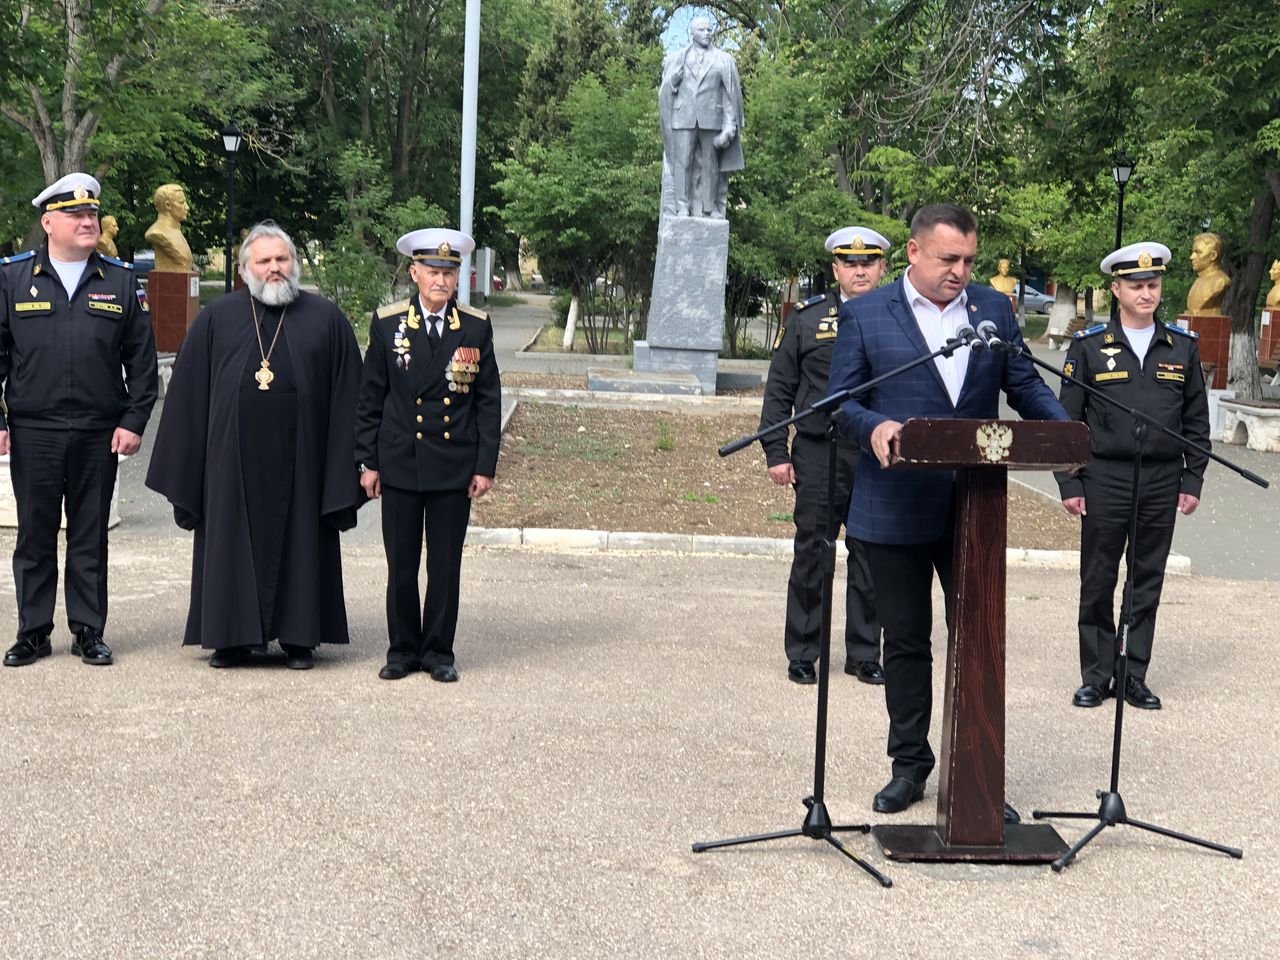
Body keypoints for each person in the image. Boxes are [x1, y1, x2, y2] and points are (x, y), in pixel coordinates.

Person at [827, 204, 1069, 814]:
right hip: (894, 505)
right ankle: (910, 766)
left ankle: (977, 778)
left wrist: (1065, 434)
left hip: (974, 507)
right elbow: (840, 402)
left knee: (979, 641)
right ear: (913, 252)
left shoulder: (993, 311)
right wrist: (874, 426)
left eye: (968, 260)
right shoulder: (865, 314)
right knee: (907, 642)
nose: (960, 271)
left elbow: (1024, 384)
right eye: (948, 259)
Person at [145, 221, 363, 669]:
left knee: (303, 542)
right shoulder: (216, 318)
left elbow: (350, 399)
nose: (274, 268)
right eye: (264, 261)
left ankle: (300, 639)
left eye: (282, 259)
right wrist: (187, 467)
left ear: (295, 264)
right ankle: (230, 639)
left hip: (303, 463)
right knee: (229, 543)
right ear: (246, 269)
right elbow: (188, 398)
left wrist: (353, 464)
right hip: (230, 465)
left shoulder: (326, 320)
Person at [1, 173, 158, 667]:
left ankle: (88, 630)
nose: (88, 221)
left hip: (98, 431)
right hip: (35, 429)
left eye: (92, 213)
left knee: (90, 534)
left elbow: (142, 361)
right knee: (35, 534)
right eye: (75, 214)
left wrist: (134, 419)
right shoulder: (12, 278)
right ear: (49, 223)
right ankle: (33, 631)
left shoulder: (120, 280)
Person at [1056, 241, 1210, 711]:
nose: (1147, 294)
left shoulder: (1181, 347)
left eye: (1153, 285)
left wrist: (1193, 479)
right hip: (1105, 477)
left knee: (1147, 580)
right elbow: (1067, 423)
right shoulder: (1089, 347)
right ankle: (1095, 675)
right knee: (1097, 578)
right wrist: (1070, 482)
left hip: (1161, 479)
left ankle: (1132, 674)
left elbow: (1196, 420)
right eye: (1137, 285)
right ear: (1116, 289)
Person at [356, 229, 501, 682]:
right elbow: (370, 397)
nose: (441, 281)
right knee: (401, 566)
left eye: (449, 273)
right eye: (433, 272)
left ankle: (438, 652)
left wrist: (485, 465)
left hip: (453, 464)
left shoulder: (474, 326)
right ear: (414, 273)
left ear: (458, 277)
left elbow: (488, 400)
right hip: (400, 461)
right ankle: (402, 651)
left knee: (444, 567)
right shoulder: (388, 324)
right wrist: (368, 462)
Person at [760, 226, 888, 686]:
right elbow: (780, 388)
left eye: (868, 263)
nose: (860, 270)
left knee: (871, 554)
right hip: (820, 451)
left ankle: (864, 653)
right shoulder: (808, 319)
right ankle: (803, 651)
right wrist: (776, 452)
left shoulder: (897, 319)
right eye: (850, 263)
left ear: (882, 268)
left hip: (876, 455)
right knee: (814, 552)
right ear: (836, 270)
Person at [658, 15, 744, 218]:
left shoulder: (723, 59)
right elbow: (664, 92)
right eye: (702, 30)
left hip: (712, 118)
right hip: (682, 117)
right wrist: (673, 81)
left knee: (711, 164)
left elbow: (730, 96)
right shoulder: (676, 59)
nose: (707, 33)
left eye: (709, 29)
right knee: (682, 162)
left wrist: (729, 126)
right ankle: (682, 207)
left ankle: (709, 208)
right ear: (692, 33)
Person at [144, 183, 193, 273]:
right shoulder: (156, 233)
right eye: (181, 202)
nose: (187, 207)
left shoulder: (177, 231)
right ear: (167, 205)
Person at [1184, 232, 1230, 316]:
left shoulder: (1220, 281)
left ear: (1213, 255)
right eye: (1193, 252)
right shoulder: (1198, 281)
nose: (1191, 257)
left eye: (1198, 252)